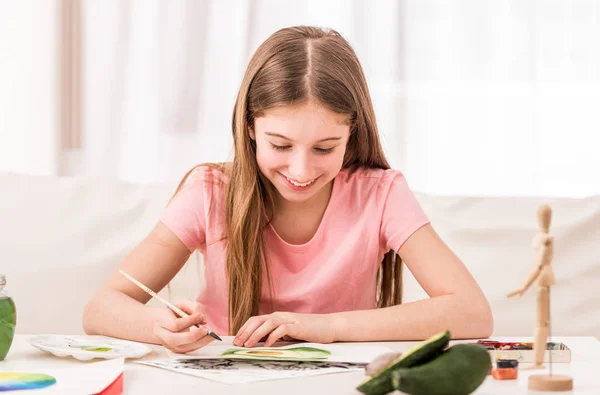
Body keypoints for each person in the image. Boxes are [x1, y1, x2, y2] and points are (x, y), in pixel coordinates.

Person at [83, 26, 493, 353]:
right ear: (250, 128)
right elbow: (102, 307)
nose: (301, 169)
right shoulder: (210, 192)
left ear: (352, 133)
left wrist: (327, 327)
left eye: (324, 148)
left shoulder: (380, 195)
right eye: (280, 145)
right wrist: (162, 328)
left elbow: (472, 312)